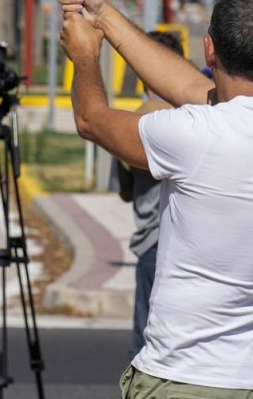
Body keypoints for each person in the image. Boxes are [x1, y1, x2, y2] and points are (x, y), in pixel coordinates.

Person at [59, 0, 253, 399]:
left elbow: (91, 119)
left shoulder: (193, 135)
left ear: (210, 49)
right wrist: (102, 14)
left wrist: (85, 54)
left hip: (187, 381)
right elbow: (187, 86)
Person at [108, 31, 181, 362]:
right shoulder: (194, 117)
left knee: (146, 343)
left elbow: (124, 192)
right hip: (190, 244)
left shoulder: (131, 123)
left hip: (151, 244)